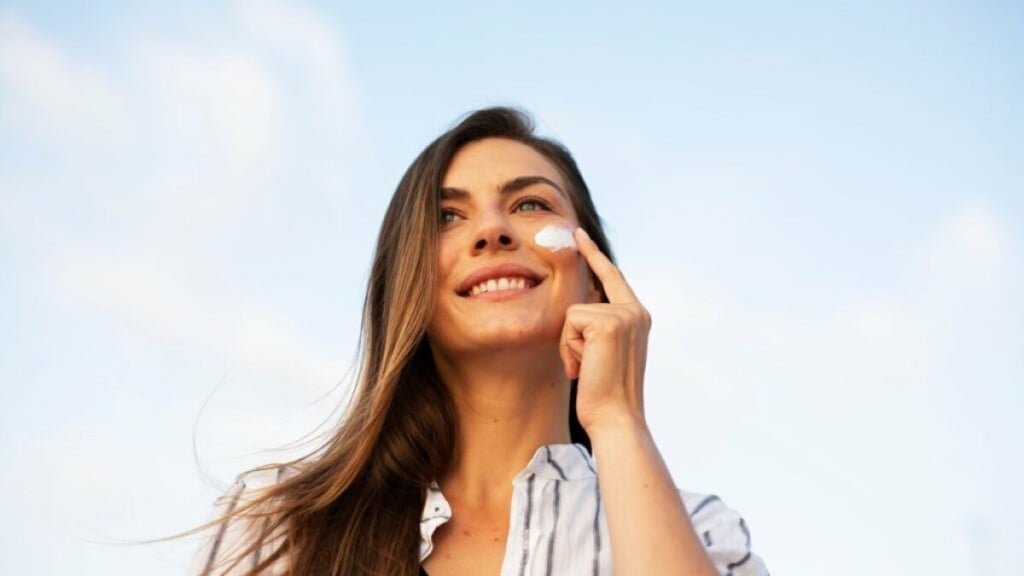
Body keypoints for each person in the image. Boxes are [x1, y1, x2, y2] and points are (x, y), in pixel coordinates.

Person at [191, 107, 769, 576]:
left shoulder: (702, 533)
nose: (492, 230)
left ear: (594, 275)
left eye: (530, 204)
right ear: (408, 285)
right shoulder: (278, 527)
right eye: (446, 217)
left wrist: (618, 418)